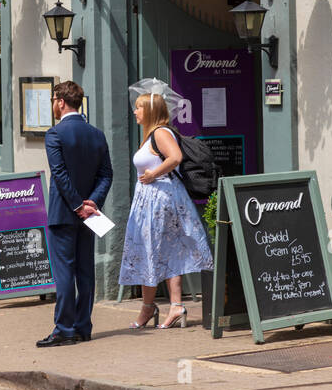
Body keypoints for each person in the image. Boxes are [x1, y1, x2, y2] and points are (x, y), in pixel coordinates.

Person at [119, 90, 213, 329]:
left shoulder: (160, 132)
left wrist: (153, 173)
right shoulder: (152, 134)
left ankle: (156, 307)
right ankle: (171, 306)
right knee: (161, 250)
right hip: (152, 200)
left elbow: (176, 157)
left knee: (152, 250)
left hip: (160, 200)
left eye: (139, 108)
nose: (135, 112)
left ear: (150, 111)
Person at [37, 80, 113, 348]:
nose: (54, 107)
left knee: (64, 274)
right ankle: (83, 326)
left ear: (60, 102)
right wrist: (91, 202)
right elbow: (106, 175)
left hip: (64, 213)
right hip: (89, 216)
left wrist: (77, 205)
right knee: (85, 272)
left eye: (53, 102)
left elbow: (59, 174)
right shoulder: (97, 134)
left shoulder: (55, 134)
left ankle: (64, 329)